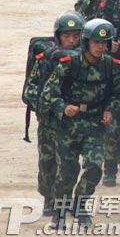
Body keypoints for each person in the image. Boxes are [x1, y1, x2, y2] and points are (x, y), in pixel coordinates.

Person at [41, 19, 120, 228]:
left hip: (94, 124)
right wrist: (62, 107)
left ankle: (80, 203)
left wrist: (110, 109)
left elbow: (118, 94)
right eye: (96, 42)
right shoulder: (69, 64)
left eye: (104, 43)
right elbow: (48, 93)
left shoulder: (111, 66)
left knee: (94, 166)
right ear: (86, 43)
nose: (100, 47)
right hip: (68, 125)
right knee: (66, 171)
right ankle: (60, 211)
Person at [21, 11, 85, 216]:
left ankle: (64, 198)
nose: (72, 41)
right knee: (48, 162)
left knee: (69, 164)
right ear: (58, 36)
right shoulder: (45, 60)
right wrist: (47, 107)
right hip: (50, 121)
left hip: (74, 122)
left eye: (76, 36)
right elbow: (30, 91)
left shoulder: (86, 61)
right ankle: (49, 197)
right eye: (67, 36)